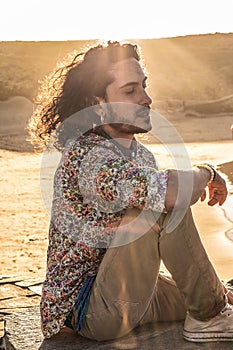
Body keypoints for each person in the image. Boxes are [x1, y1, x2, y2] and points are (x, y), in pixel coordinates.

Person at [27, 41, 233, 343]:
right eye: (130, 91)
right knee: (159, 204)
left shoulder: (140, 156)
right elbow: (170, 192)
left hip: (125, 289)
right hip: (88, 310)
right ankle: (209, 318)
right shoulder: (88, 157)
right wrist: (209, 173)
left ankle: (216, 306)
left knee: (222, 295)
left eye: (144, 86)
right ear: (97, 102)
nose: (147, 99)